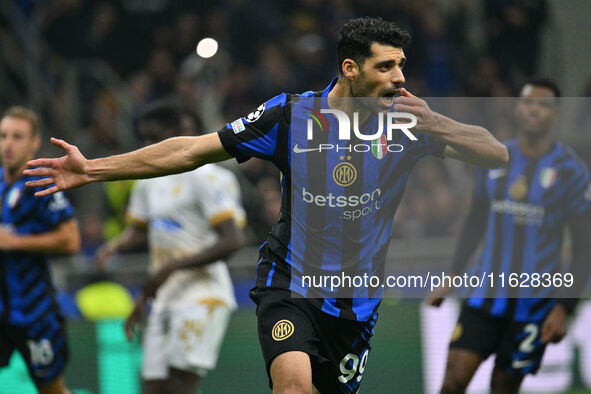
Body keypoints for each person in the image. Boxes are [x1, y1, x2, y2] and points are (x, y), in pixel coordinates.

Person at [25, 17, 508, 394]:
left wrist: (437, 124)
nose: (399, 79)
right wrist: (93, 169)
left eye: (401, 65)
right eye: (386, 67)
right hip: (289, 284)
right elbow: (191, 150)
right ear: (350, 68)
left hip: (355, 305)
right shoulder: (291, 114)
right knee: (293, 386)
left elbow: (494, 152)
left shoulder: (407, 125)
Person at [428, 79, 591, 394]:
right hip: (483, 298)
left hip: (534, 306)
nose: (534, 110)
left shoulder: (570, 170)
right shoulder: (494, 157)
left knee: (503, 388)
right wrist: (451, 276)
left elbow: (584, 247)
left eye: (543, 105)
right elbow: (475, 222)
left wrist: (564, 308)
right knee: (453, 381)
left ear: (554, 114)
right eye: (528, 102)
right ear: (517, 108)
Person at [95, 103, 245, 394]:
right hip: (164, 295)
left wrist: (171, 267)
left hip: (202, 294)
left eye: (155, 138)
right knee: (153, 386)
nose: (147, 146)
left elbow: (233, 240)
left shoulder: (209, 177)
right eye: (143, 138)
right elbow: (140, 229)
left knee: (180, 384)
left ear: (182, 133)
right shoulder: (147, 182)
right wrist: (114, 247)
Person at [0, 106, 80, 394]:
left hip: (34, 313)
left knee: (51, 390)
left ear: (35, 142)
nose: (8, 144)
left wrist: (14, 241)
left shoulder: (41, 182)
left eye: (17, 137)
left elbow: (70, 239)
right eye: (3, 136)